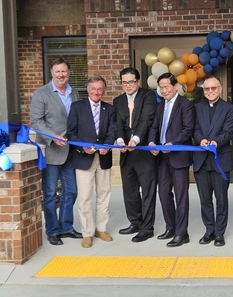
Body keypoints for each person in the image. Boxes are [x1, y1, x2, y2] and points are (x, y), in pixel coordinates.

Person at [30, 58, 82, 246]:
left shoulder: (74, 92)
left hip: (70, 151)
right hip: (51, 150)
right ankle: (52, 231)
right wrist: (53, 137)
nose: (61, 75)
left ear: (69, 72)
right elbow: (36, 121)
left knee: (72, 191)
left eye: (64, 71)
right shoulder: (41, 93)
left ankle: (66, 227)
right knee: (50, 193)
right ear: (52, 73)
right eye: (57, 71)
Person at [66, 75, 117, 248]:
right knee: (85, 197)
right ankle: (87, 233)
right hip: (83, 158)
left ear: (104, 91)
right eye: (94, 89)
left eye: (100, 89)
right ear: (88, 90)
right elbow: (71, 133)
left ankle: (101, 229)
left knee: (104, 194)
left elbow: (112, 130)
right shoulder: (77, 107)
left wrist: (107, 146)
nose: (97, 92)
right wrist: (82, 148)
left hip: (103, 157)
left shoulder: (109, 109)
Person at [148, 72, 195, 247]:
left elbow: (187, 129)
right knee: (163, 193)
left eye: (166, 86)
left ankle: (182, 234)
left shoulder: (186, 105)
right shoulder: (160, 106)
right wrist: (152, 142)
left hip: (178, 157)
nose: (163, 90)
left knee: (181, 196)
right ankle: (171, 227)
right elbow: (154, 127)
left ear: (175, 87)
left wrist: (171, 143)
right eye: (161, 87)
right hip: (161, 157)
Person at [113, 67, 157, 243]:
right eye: (124, 82)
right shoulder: (118, 101)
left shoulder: (148, 96)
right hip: (126, 152)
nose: (128, 85)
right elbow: (117, 124)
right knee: (130, 191)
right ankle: (135, 222)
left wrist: (135, 140)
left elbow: (146, 120)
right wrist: (119, 141)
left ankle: (147, 228)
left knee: (147, 191)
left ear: (138, 82)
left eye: (131, 82)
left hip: (143, 150)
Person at [193, 76, 233, 247]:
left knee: (221, 199)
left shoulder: (229, 108)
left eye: (213, 88)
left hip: (220, 161)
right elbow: (194, 129)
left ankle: (219, 233)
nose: (210, 91)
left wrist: (216, 141)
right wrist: (200, 139)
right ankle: (209, 230)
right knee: (205, 199)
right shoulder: (197, 108)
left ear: (220, 89)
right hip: (201, 161)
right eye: (206, 89)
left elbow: (229, 130)